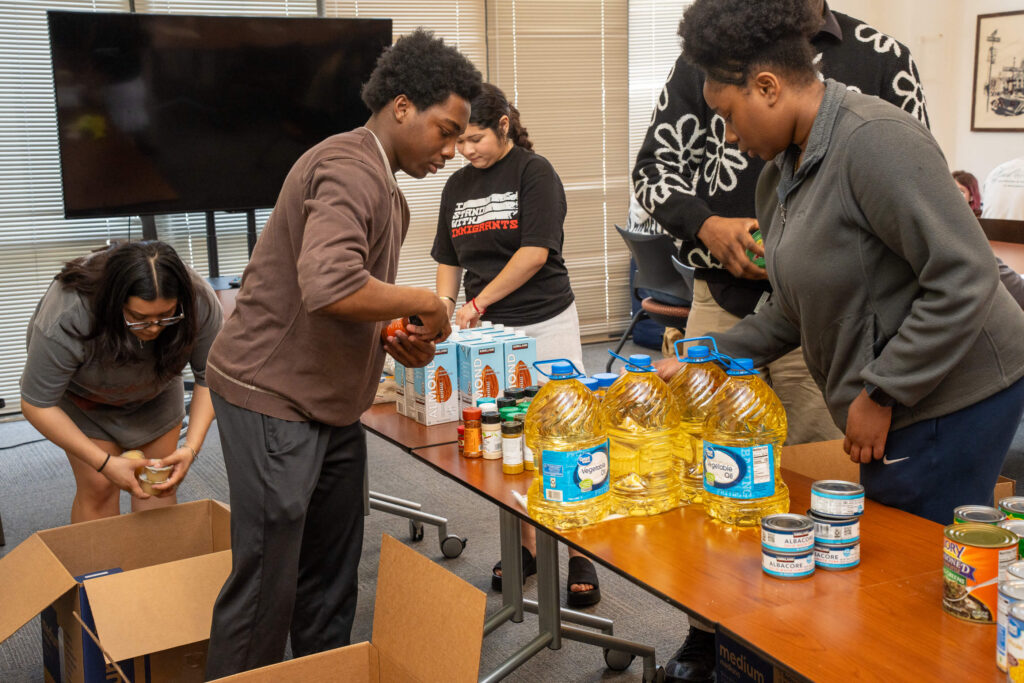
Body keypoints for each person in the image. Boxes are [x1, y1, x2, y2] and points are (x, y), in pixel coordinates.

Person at [685, 0, 1024, 670]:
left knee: (918, 572)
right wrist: (713, 355)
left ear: (768, 87)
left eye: (726, 114)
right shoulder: (782, 172)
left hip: (960, 388)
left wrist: (882, 389)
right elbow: (792, 307)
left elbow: (962, 276)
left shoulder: (874, 140)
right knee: (887, 561)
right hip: (899, 386)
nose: (725, 135)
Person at [635, 3, 931, 680]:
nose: (737, 137)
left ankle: (810, 645)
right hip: (723, 307)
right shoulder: (705, 59)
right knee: (707, 478)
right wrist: (707, 225)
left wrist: (881, 377)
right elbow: (652, 172)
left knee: (820, 491)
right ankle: (709, 631)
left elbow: (916, 196)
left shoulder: (881, 58)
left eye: (738, 121)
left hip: (829, 316)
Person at [203, 30, 481, 678]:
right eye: (446, 130)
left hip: (330, 405)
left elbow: (343, 298)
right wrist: (428, 301)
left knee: (331, 582)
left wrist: (393, 336)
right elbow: (328, 285)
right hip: (271, 395)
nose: (452, 149)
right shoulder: (349, 166)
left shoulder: (389, 191)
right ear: (403, 106)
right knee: (267, 587)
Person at [432, 83, 599, 607]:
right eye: (458, 141)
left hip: (543, 323)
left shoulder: (534, 171)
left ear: (503, 124)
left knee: (562, 440)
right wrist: (443, 312)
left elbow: (533, 253)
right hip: (487, 338)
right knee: (505, 443)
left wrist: (476, 306)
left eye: (475, 138)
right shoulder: (456, 186)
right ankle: (524, 547)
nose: (466, 150)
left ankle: (579, 551)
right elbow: (448, 259)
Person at [20, 241, 221, 523]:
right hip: (85, 401)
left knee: (157, 487)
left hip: (155, 392)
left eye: (165, 317)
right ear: (115, 303)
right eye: (139, 318)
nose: (153, 328)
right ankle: (103, 568)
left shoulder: (198, 300)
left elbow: (211, 379)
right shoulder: (69, 311)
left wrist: (191, 448)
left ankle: (157, 568)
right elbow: (37, 404)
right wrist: (104, 463)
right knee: (99, 487)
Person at [952, 170, 1024, 308]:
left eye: (961, 191)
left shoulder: (976, 223)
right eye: (951, 190)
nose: (955, 196)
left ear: (972, 196)